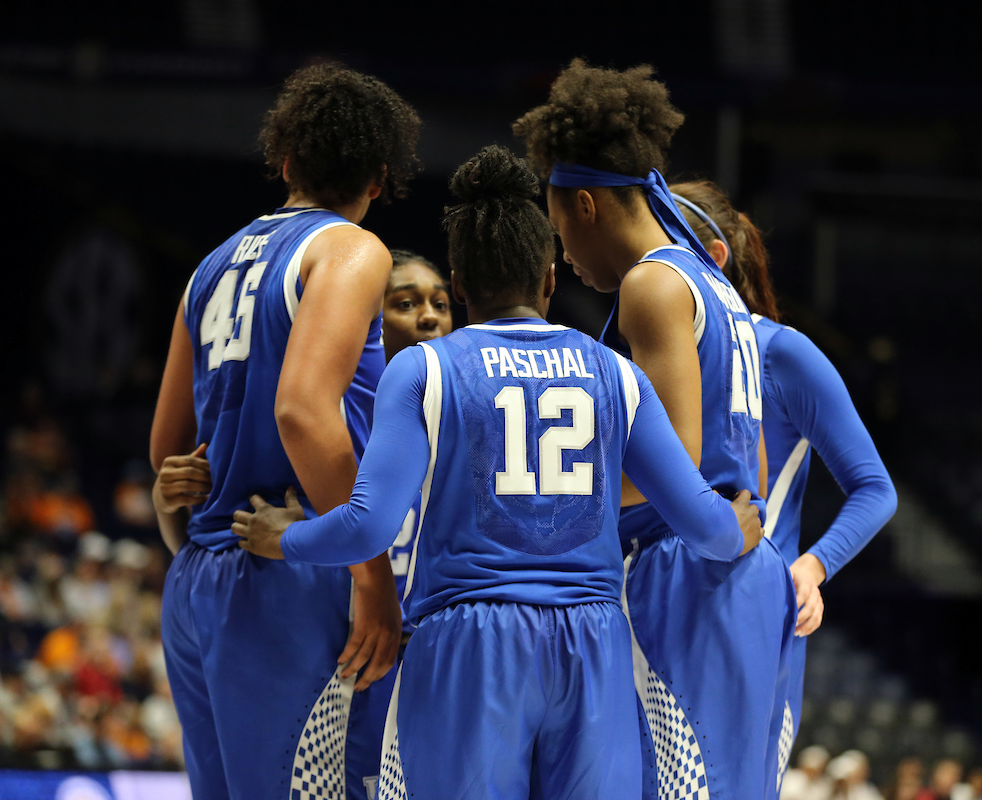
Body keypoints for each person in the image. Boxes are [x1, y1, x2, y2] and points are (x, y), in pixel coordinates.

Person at [234, 145, 764, 800]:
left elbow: (367, 528)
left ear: (459, 284)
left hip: (470, 642)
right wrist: (737, 526)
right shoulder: (616, 374)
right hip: (593, 643)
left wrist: (282, 538)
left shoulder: (424, 369)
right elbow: (706, 526)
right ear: (549, 280)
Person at [513, 59, 797, 800]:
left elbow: (675, 469)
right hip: (737, 564)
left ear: (585, 205)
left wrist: (541, 511)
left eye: (559, 232)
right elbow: (749, 465)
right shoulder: (714, 284)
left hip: (685, 568)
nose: (563, 257)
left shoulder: (652, 284)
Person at [147, 62, 419, 800]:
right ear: (379, 179)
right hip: (292, 567)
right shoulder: (350, 249)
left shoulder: (208, 268)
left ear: (287, 161)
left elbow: (166, 455)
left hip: (199, 579)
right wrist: (371, 574)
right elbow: (301, 411)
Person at [671, 178, 898, 764]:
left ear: (714, 257)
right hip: (660, 600)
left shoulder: (782, 353)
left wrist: (811, 568)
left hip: (745, 607)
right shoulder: (647, 352)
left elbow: (875, 488)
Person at [381, 249, 453, 634]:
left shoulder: (475, 412)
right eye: (406, 304)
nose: (429, 317)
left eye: (440, 304)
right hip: (352, 639)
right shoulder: (335, 415)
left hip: (442, 638)